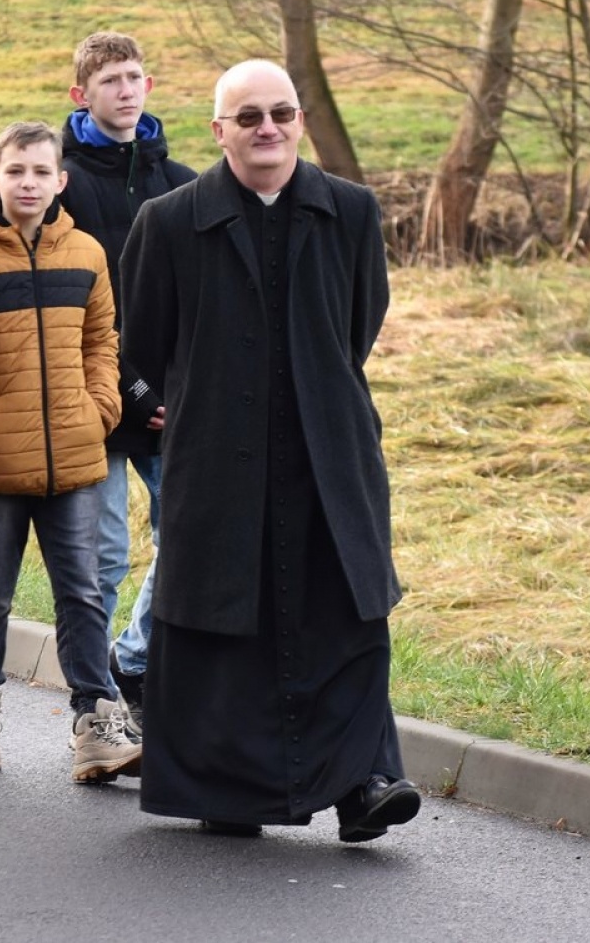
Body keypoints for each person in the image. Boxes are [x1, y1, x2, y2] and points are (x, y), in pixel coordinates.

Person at [119, 59, 420, 841]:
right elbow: (147, 340)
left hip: (331, 453)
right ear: (218, 131)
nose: (267, 129)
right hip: (217, 458)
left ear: (299, 123)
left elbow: (359, 324)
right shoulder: (169, 223)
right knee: (226, 623)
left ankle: (363, 782)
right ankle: (233, 792)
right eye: (247, 117)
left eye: (281, 113)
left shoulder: (350, 212)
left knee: (340, 617)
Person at [0, 120, 140, 783]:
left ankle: (96, 723)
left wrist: (99, 411)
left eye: (40, 172)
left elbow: (102, 342)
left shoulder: (84, 253)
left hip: (76, 456)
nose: (28, 183)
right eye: (16, 171)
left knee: (82, 592)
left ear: (60, 181)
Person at [58, 31, 195, 730]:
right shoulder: (58, 181)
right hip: (94, 396)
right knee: (104, 557)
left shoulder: (186, 182)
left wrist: (178, 387)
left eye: (136, 77)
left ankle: (132, 661)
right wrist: (132, 388)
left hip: (172, 401)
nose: (127, 90)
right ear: (82, 94)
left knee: (192, 537)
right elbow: (64, 304)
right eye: (111, 81)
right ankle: (98, 709)